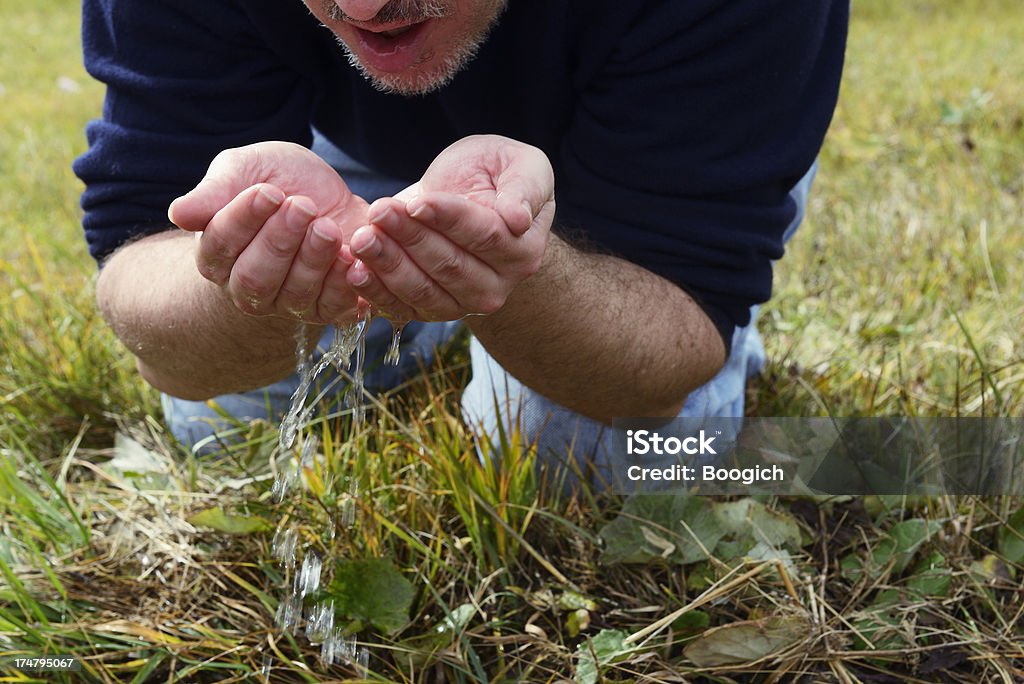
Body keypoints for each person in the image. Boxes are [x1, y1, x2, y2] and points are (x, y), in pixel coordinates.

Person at [75, 0, 848, 485]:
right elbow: (144, 275)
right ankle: (421, 291)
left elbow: (665, 355)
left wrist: (522, 276)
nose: (362, 5)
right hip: (355, 128)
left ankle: (452, 297)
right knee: (224, 425)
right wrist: (244, 278)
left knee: (578, 463)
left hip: (661, 131)